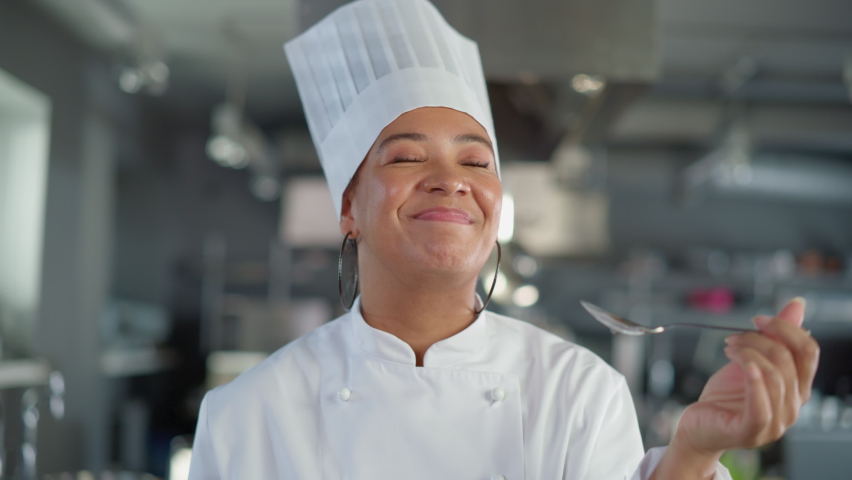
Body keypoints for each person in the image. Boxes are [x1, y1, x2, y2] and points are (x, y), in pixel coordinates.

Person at [188, 1, 820, 478]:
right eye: (407, 157)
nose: (450, 180)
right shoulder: (247, 414)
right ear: (349, 205)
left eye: (475, 161)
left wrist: (694, 451)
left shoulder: (577, 390)